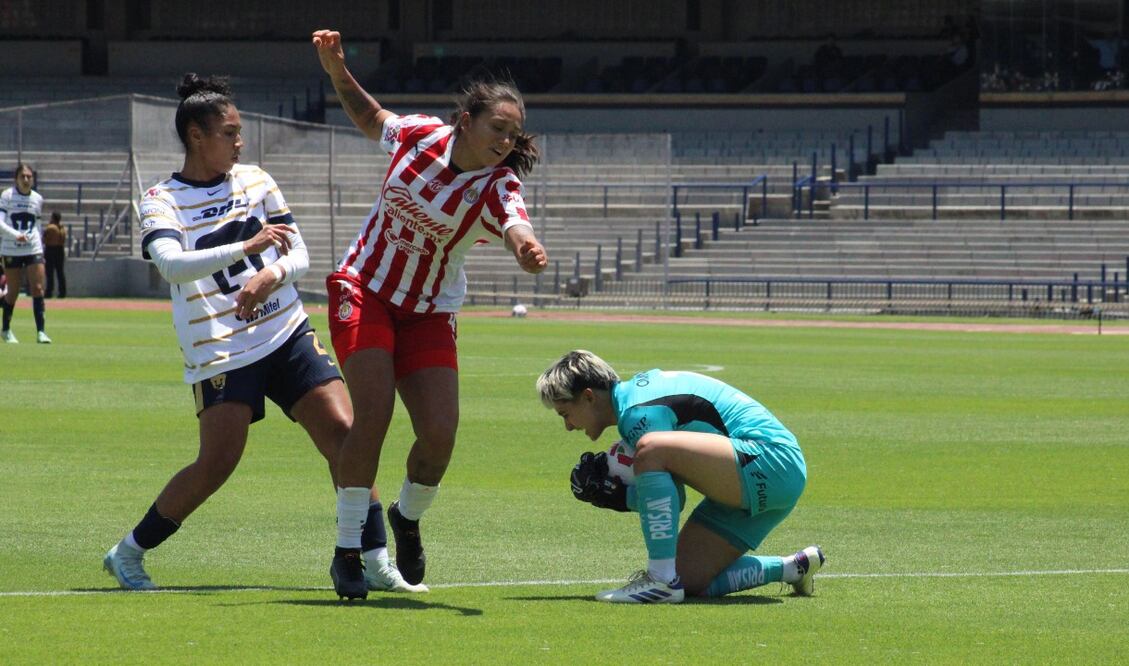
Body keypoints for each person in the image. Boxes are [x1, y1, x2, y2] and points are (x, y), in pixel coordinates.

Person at [102, 73, 424, 595]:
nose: (239, 141)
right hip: (221, 347)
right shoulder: (161, 199)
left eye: (239, 131)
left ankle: (375, 558)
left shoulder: (255, 180)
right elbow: (170, 265)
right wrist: (245, 250)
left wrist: (271, 273)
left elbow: (298, 252)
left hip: (286, 329)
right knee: (218, 462)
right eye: (229, 132)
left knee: (345, 433)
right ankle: (128, 552)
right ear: (196, 136)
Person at [311, 29, 549, 599]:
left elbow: (516, 221)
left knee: (440, 435)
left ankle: (408, 517)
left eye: (513, 134)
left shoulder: (498, 184)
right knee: (374, 411)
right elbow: (371, 118)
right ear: (466, 120)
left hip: (428, 310)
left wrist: (526, 247)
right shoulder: (419, 134)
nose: (505, 141)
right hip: (364, 286)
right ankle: (348, 550)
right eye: (498, 128)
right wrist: (335, 67)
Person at [537, 350, 824, 604]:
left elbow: (675, 493)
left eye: (566, 413)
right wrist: (619, 495)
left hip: (769, 460)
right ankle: (793, 567)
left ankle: (660, 581)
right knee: (690, 580)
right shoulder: (634, 399)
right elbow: (671, 491)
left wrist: (620, 496)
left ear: (588, 397)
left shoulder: (636, 413)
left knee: (651, 449)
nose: (568, 426)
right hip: (772, 475)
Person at [0, 164, 51, 344]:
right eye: (23, 176)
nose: (26, 179)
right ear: (16, 179)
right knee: (12, 292)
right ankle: (5, 329)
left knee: (37, 288)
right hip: (11, 248)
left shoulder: (37, 199)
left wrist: (36, 240)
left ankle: (41, 332)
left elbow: (37, 224)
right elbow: (0, 223)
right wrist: (16, 235)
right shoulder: (7, 196)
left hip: (32, 248)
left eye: (29, 176)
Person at [42, 210, 66, 299]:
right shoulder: (62, 228)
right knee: (60, 272)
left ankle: (49, 291)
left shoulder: (50, 227)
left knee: (49, 272)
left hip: (51, 249)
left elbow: (44, 239)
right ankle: (62, 292)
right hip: (60, 250)